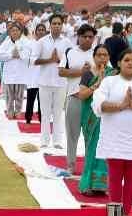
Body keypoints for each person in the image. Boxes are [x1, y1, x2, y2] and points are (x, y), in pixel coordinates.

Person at [93, 49, 132, 216]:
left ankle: (125, 214)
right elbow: (99, 104)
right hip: (114, 139)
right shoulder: (109, 82)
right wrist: (121, 105)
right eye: (126, 60)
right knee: (115, 178)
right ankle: (114, 214)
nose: (130, 63)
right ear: (119, 63)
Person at [74, 44, 112, 194]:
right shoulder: (88, 74)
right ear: (94, 57)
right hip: (90, 117)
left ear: (109, 57)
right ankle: (87, 185)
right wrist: (98, 83)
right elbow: (82, 95)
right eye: (99, 55)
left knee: (105, 149)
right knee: (92, 149)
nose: (102, 58)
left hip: (107, 117)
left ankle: (100, 185)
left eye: (105, 55)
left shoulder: (113, 74)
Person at [61, 24, 97, 173]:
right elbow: (61, 72)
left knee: (91, 135)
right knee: (72, 134)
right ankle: (71, 164)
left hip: (92, 100)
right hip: (74, 97)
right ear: (79, 37)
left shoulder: (98, 54)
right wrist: (80, 72)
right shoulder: (70, 52)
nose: (88, 39)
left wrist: (93, 73)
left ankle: (89, 166)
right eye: (85, 37)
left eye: (91, 37)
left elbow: (107, 73)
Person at [34, 14, 72, 150]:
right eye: (54, 23)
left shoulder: (67, 42)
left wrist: (60, 60)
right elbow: (34, 60)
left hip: (61, 82)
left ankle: (57, 141)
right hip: (44, 82)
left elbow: (71, 62)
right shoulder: (42, 41)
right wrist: (50, 60)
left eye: (59, 24)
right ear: (50, 25)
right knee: (45, 113)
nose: (56, 26)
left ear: (62, 25)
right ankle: (44, 140)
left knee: (58, 113)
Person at [0, 23, 29, 120]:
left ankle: (18, 111)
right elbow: (0, 55)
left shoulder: (25, 42)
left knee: (19, 95)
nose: (15, 32)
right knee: (9, 95)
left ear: (20, 32)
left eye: (17, 30)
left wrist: (19, 55)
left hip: (20, 73)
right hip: (9, 73)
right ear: (10, 33)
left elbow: (28, 55)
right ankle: (10, 111)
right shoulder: (6, 42)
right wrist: (11, 55)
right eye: (13, 31)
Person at [24, 23, 45, 126]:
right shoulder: (30, 44)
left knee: (42, 101)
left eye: (42, 30)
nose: (41, 31)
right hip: (32, 74)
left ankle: (42, 119)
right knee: (30, 99)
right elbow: (27, 59)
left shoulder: (47, 43)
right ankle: (28, 118)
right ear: (35, 32)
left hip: (44, 76)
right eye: (39, 30)